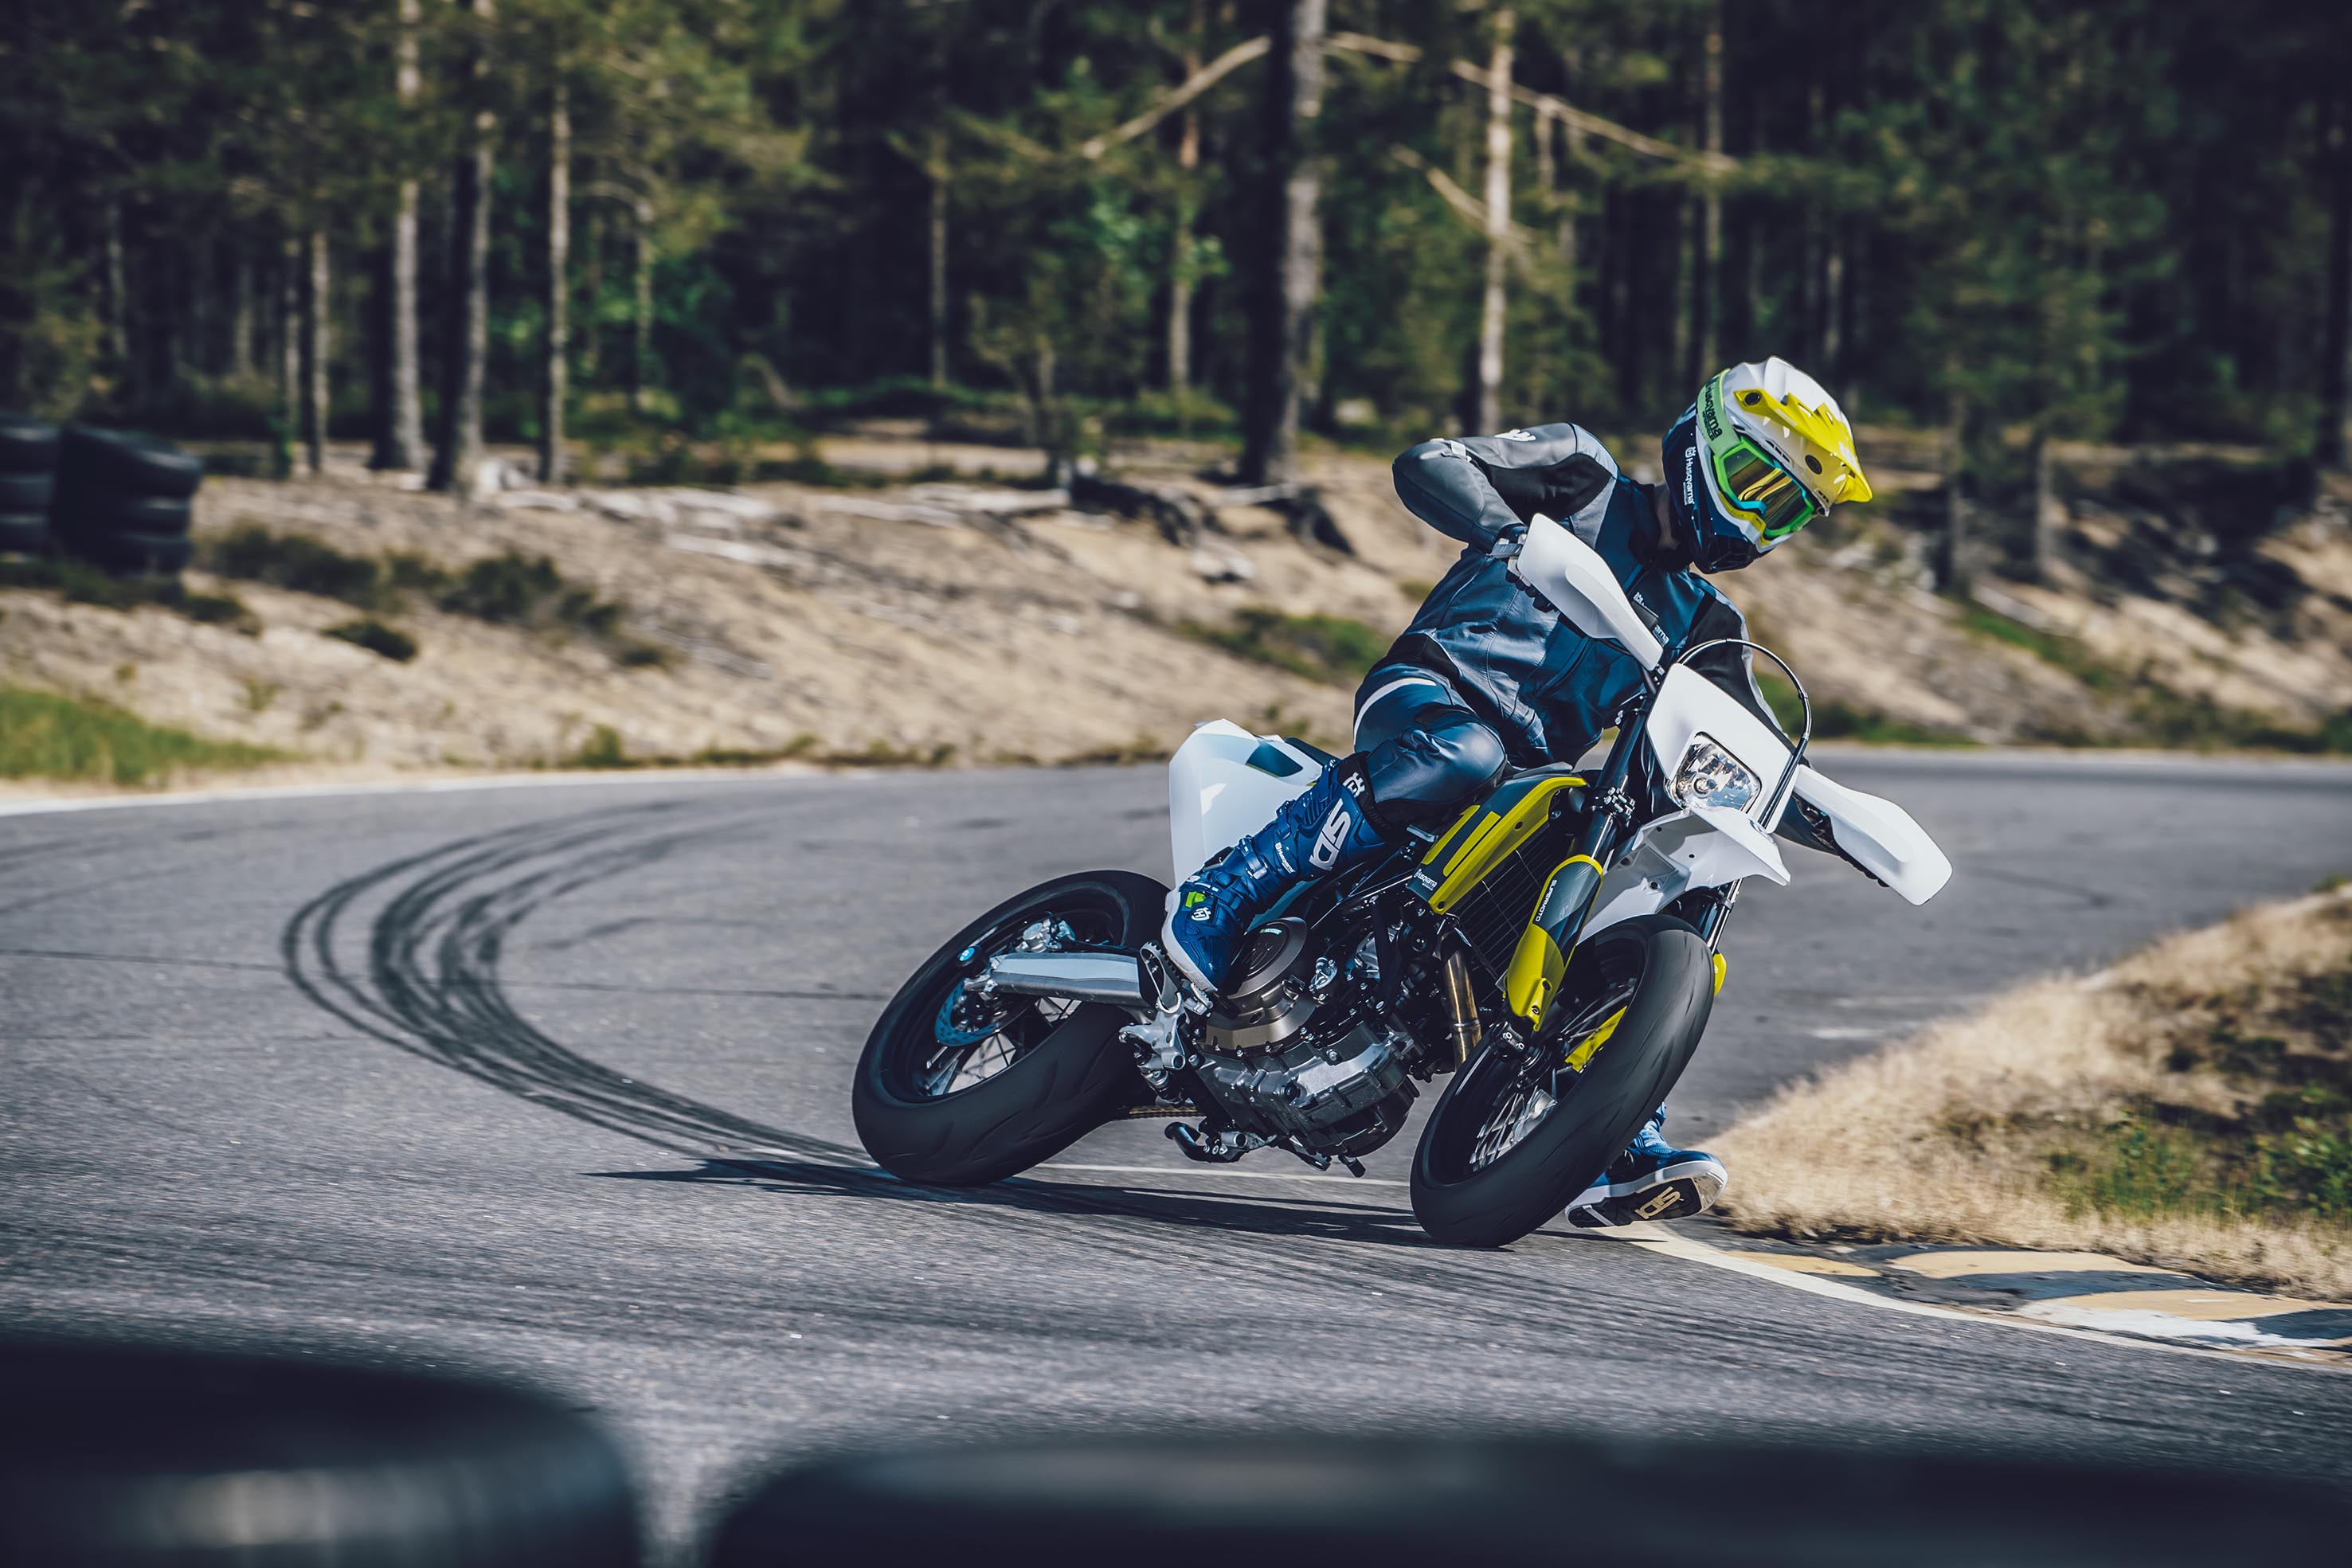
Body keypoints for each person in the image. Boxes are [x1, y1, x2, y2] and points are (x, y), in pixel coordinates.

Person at [1160, 358, 1875, 1226]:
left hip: (1527, 781)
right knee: (1466, 753)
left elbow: (1754, 749)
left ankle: (1613, 1119)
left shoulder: (1708, 625)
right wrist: (1506, 530)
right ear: (1703, 444)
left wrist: (1835, 820)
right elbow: (1432, 462)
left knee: (1684, 863)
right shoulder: (1581, 474)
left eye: (1786, 510)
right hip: (1433, 697)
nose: (1759, 520)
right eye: (1757, 484)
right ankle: (1226, 890)